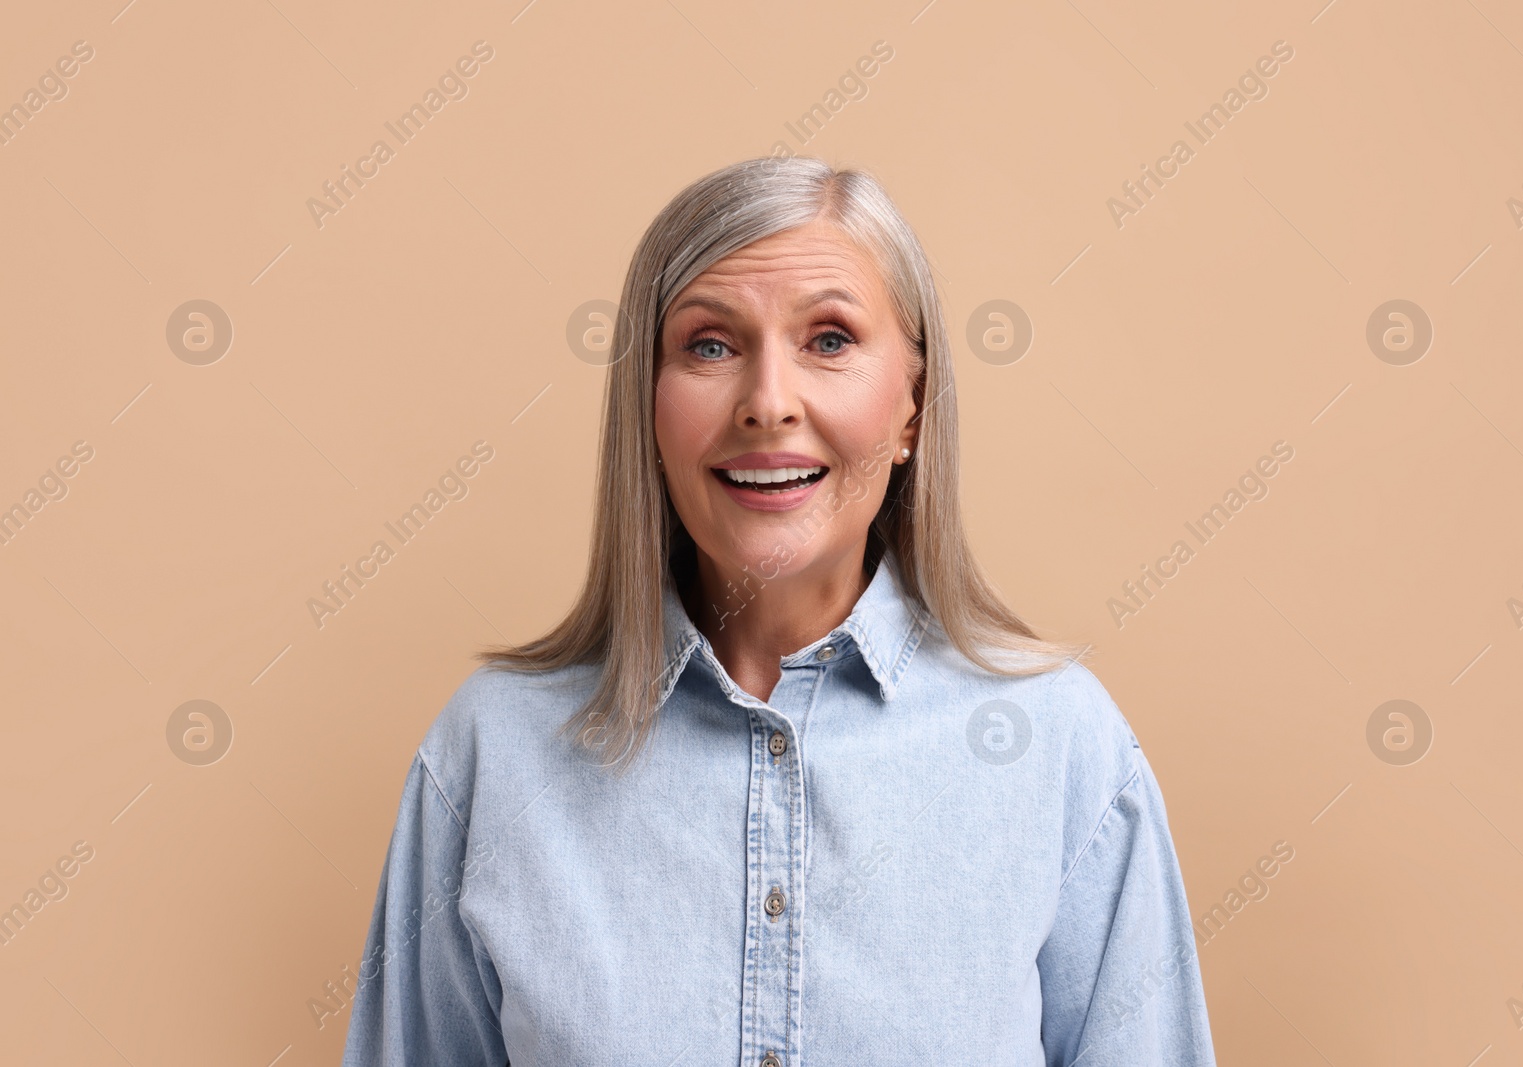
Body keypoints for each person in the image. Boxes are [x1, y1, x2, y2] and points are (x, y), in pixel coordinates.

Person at [341, 156, 1217, 1066]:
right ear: (646, 404)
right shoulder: (492, 755)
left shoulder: (1059, 744)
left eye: (830, 339)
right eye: (710, 346)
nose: (767, 404)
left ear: (914, 403)